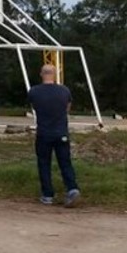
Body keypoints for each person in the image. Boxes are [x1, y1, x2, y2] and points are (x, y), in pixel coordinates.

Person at [28, 64, 80, 207]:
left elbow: (34, 107)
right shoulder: (64, 91)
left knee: (44, 163)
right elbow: (67, 109)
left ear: (41, 74)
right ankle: (72, 188)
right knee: (65, 162)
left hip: (44, 133)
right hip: (61, 132)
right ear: (55, 74)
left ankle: (47, 195)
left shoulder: (34, 91)